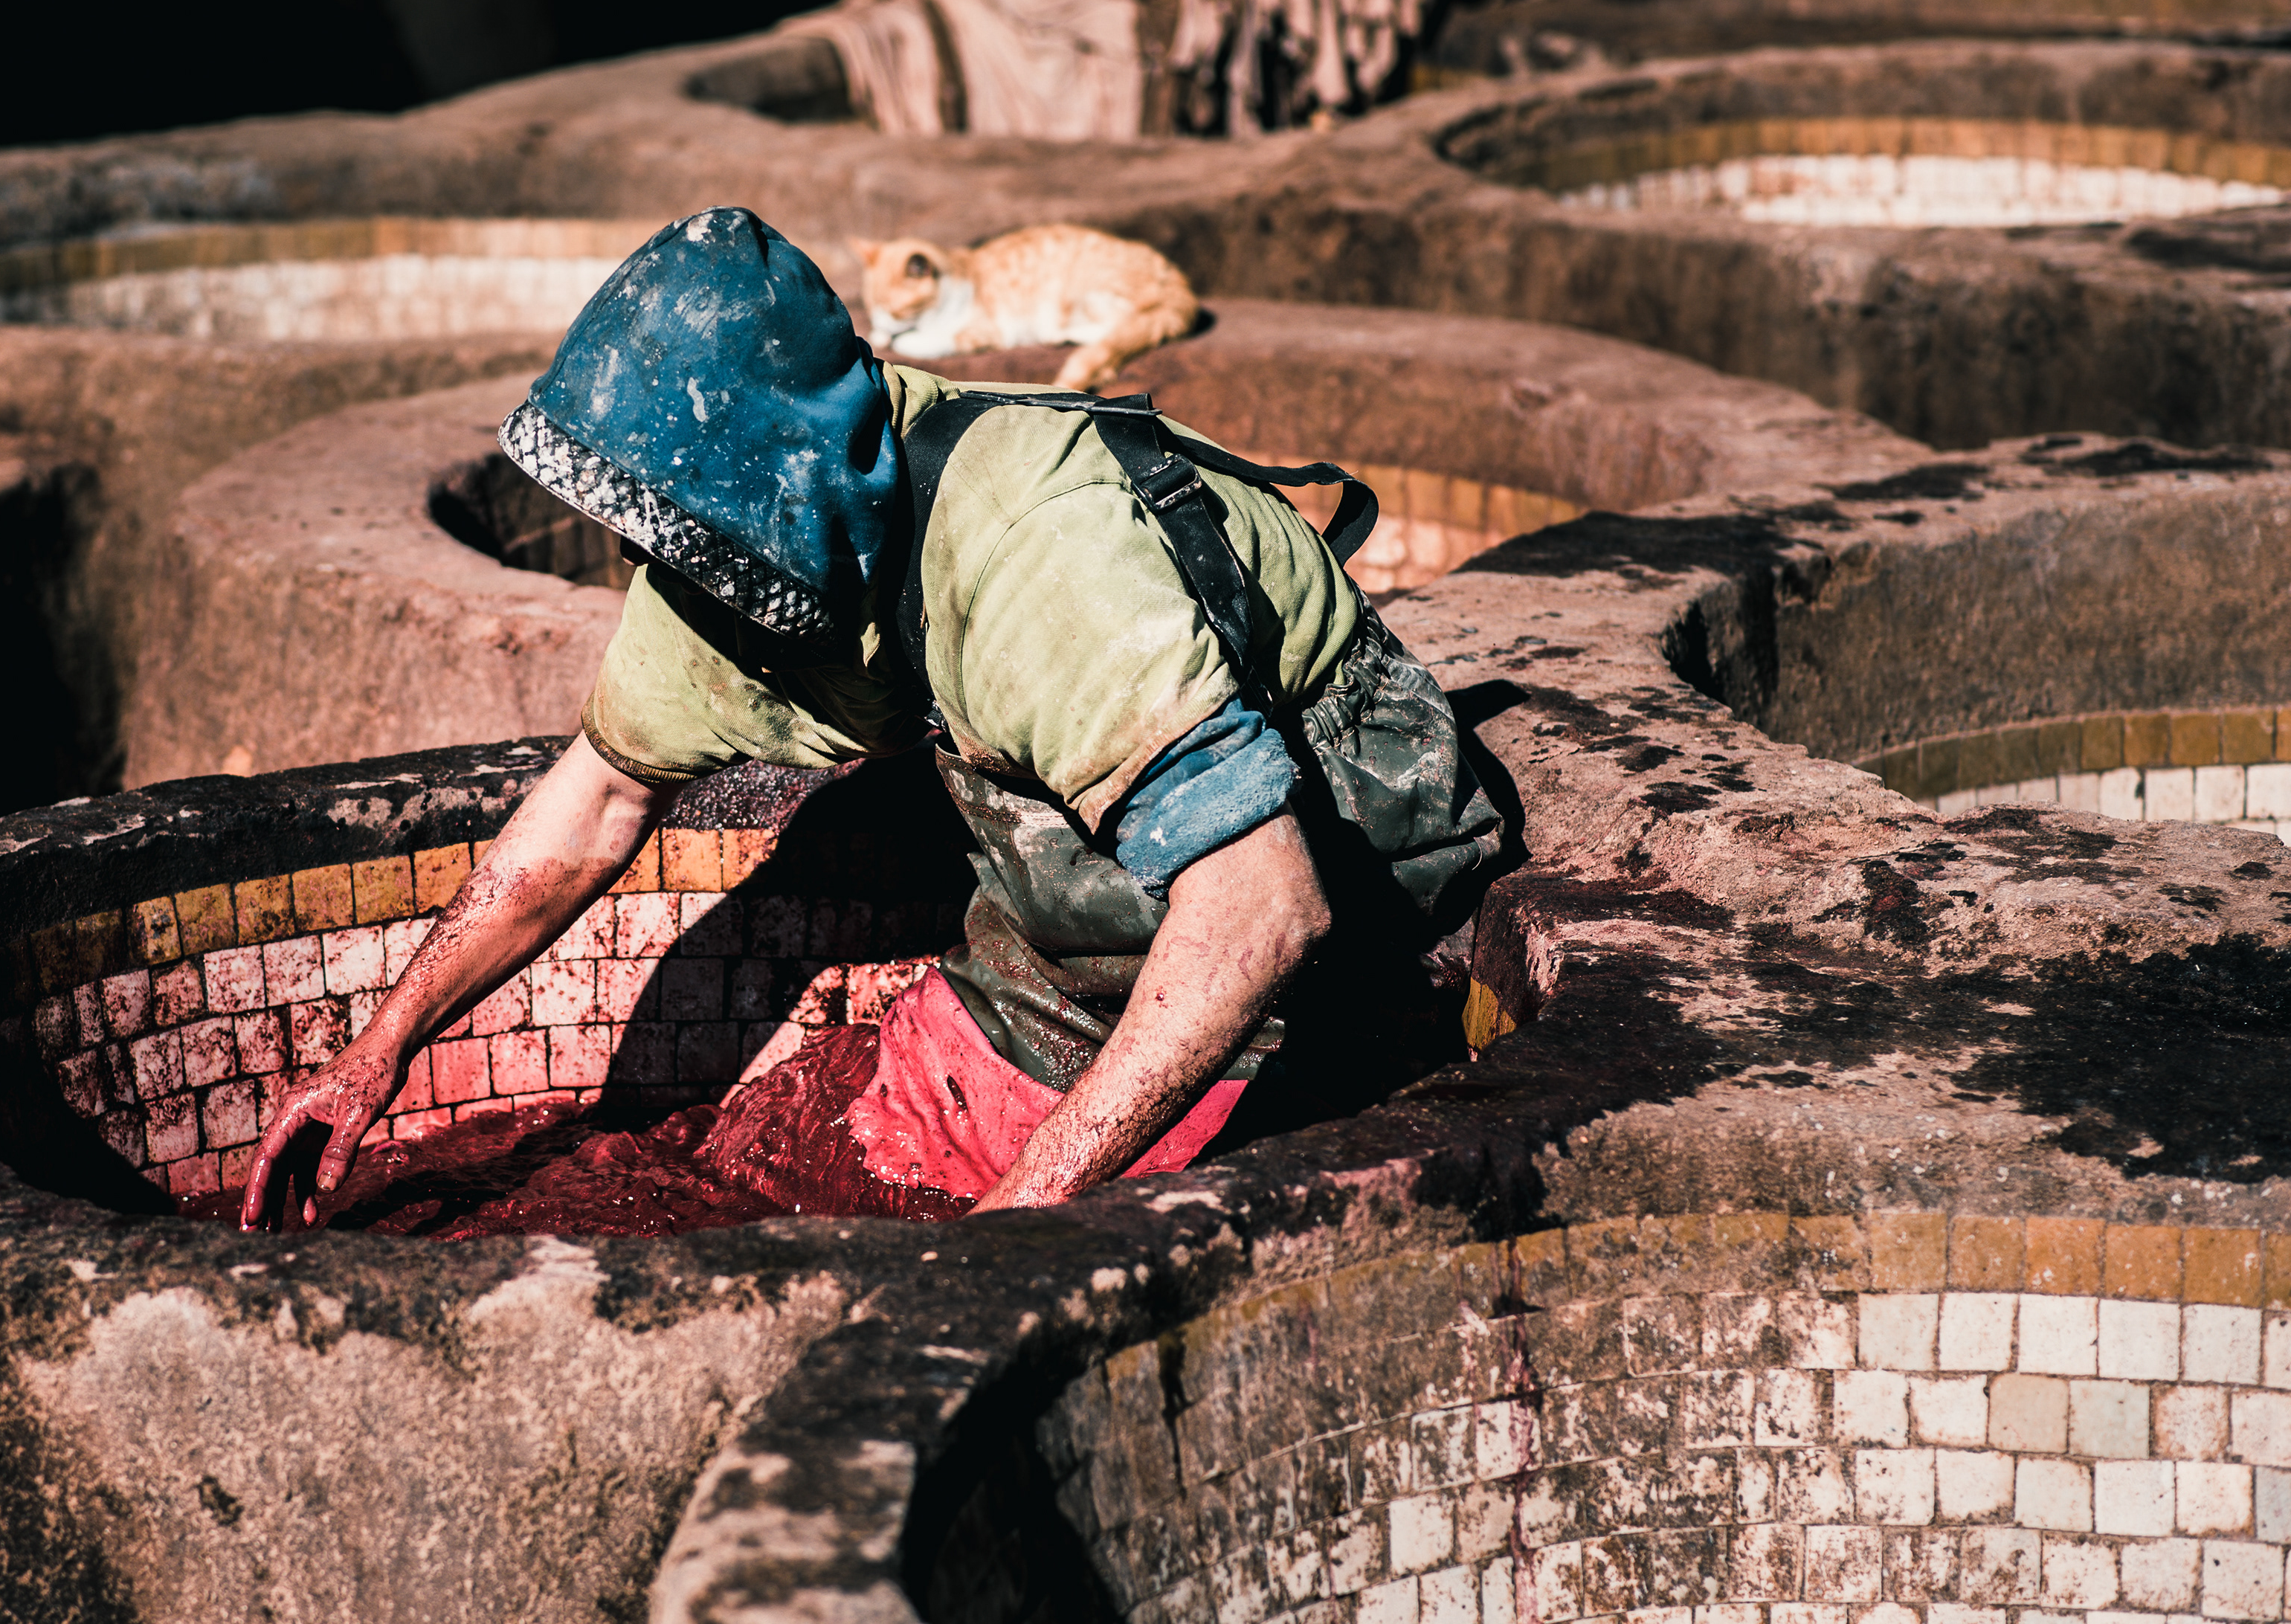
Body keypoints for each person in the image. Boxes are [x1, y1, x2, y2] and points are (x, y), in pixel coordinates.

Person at [239, 208, 1501, 1228]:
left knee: (1111, 1193)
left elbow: (1262, 905)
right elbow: (594, 805)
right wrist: (378, 1049)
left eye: (681, 540)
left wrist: (1022, 1220)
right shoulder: (735, 561)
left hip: (1330, 862)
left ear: (786, 489)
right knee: (807, 1146)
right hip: (1083, 900)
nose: (662, 578)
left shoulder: (1028, 554)